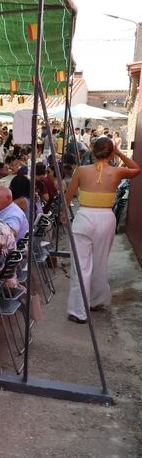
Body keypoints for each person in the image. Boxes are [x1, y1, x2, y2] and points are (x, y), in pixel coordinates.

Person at [63, 136, 140, 323]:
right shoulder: (116, 171)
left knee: (81, 265)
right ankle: (96, 301)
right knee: (99, 261)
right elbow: (136, 169)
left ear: (92, 149)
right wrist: (119, 152)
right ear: (110, 152)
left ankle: (78, 311)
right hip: (105, 219)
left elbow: (68, 197)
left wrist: (63, 215)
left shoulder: (81, 170)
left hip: (85, 217)